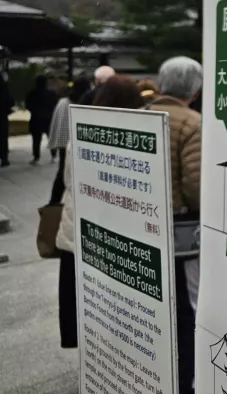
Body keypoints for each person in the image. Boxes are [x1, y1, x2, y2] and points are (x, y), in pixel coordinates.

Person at [56, 75, 144, 351]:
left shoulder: (84, 130)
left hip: (78, 228)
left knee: (84, 299)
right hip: (111, 232)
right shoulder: (133, 136)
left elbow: (68, 180)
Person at [146, 56, 202, 393]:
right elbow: (196, 186)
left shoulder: (144, 117)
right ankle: (185, 380)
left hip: (144, 221)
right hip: (180, 231)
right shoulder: (192, 123)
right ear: (195, 91)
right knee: (186, 306)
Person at [47, 77, 91, 205]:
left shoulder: (63, 101)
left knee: (62, 170)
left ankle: (53, 201)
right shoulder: (81, 103)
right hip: (75, 142)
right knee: (66, 171)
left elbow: (57, 123)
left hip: (64, 141)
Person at [25, 75, 59, 165]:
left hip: (36, 118)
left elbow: (28, 106)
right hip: (49, 119)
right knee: (51, 138)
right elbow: (55, 105)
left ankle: (36, 157)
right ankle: (54, 155)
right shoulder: (51, 93)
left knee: (36, 139)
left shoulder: (32, 94)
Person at [0, 70, 12, 168]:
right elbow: (10, 102)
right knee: (3, 137)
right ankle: (4, 158)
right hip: (2, 116)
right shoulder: (4, 88)